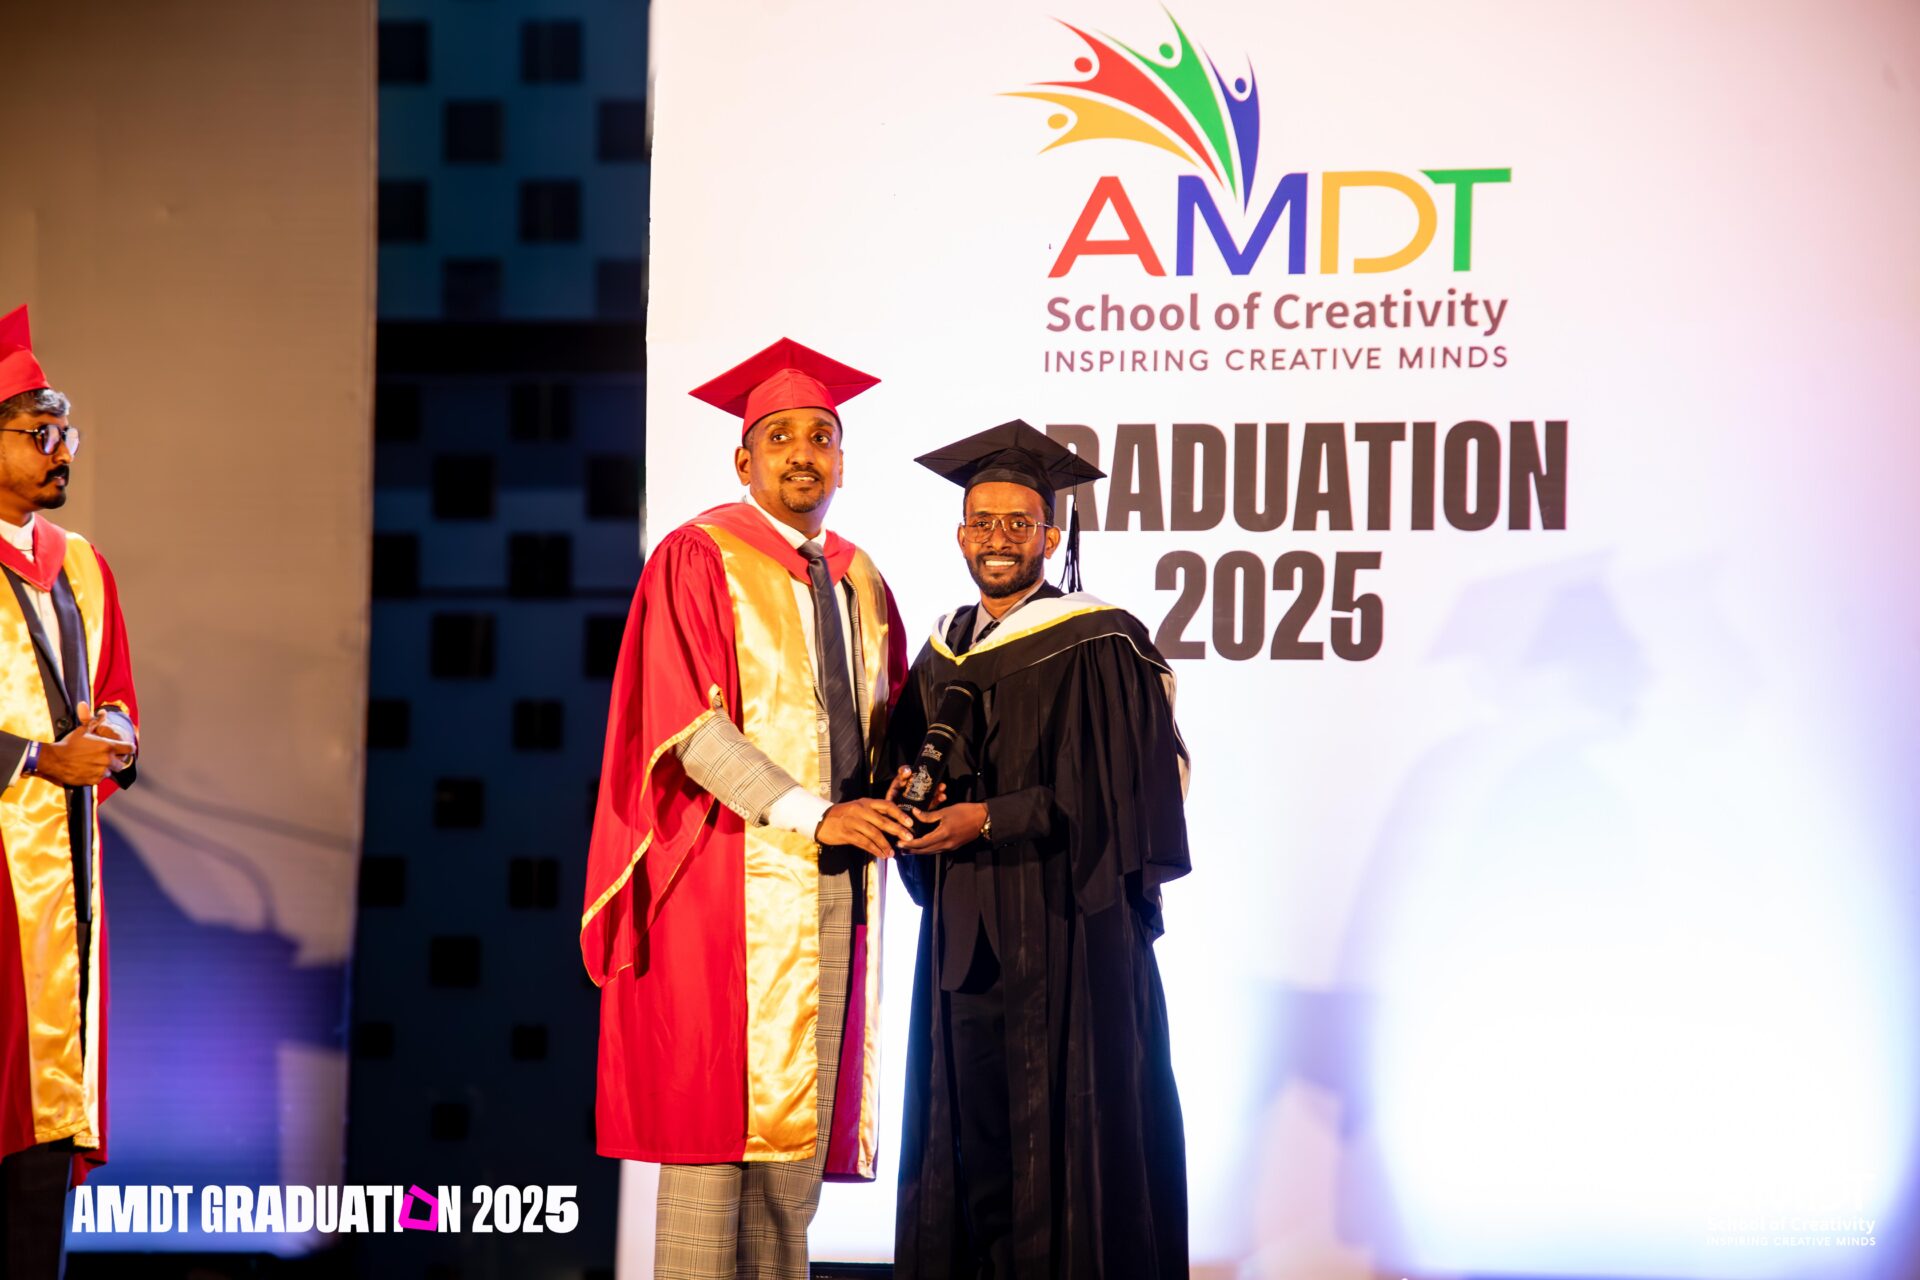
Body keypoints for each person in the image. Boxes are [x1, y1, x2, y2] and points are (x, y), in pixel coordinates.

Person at [581, 338, 913, 1279]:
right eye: (780, 437)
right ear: (744, 460)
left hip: (836, 888)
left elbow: (890, 723)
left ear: (842, 462)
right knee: (712, 1161)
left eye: (821, 437)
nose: (803, 453)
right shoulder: (699, 556)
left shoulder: (861, 578)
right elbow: (689, 729)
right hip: (724, 884)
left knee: (788, 1183)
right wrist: (815, 814)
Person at [888, 419, 1191, 1278]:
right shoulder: (941, 650)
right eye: (982, 522)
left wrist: (988, 818)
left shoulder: (1102, 640)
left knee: (1072, 1139)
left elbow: (1127, 792)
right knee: (973, 1142)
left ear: (1050, 538)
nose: (998, 539)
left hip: (1069, 933)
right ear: (961, 535)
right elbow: (901, 768)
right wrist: (909, 801)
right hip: (964, 941)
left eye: (1018, 523)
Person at [0, 305, 140, 1277]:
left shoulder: (82, 565)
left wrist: (114, 740)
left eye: (67, 433)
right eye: (38, 432)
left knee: (40, 1138)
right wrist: (36, 759)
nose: (60, 452)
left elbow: (118, 698)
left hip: (59, 904)